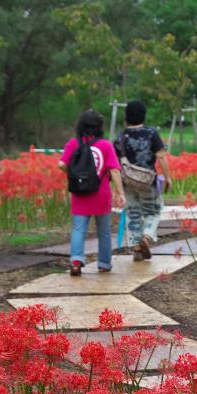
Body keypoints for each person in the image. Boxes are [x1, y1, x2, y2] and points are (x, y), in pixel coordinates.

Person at [59, 109, 125, 276]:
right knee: (103, 231)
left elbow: (61, 164)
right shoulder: (105, 145)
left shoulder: (74, 143)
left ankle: (76, 261)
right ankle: (103, 263)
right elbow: (115, 171)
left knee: (78, 229)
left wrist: (71, 174)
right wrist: (120, 192)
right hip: (100, 194)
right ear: (99, 126)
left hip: (79, 193)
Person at [115, 99, 172, 262]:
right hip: (149, 181)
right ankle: (146, 238)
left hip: (128, 182)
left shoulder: (120, 137)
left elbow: (115, 165)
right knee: (153, 212)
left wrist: (117, 188)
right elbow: (161, 155)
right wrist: (167, 177)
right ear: (143, 116)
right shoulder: (151, 133)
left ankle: (137, 249)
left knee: (133, 213)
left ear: (126, 117)